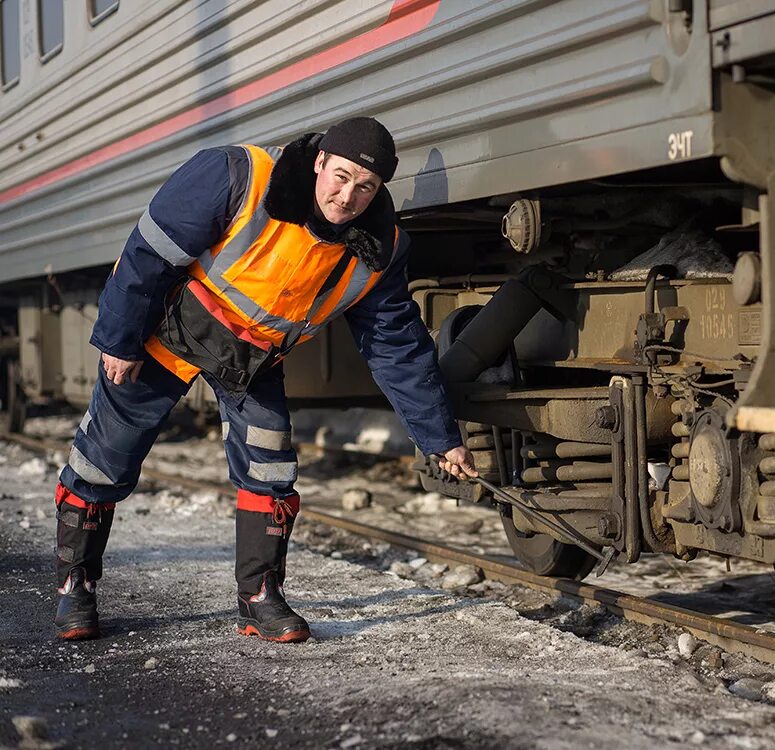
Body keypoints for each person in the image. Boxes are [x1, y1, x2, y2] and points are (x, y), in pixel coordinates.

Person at [52, 117, 477, 643]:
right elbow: (148, 253)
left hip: (251, 363)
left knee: (271, 467)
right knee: (104, 459)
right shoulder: (235, 175)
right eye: (339, 176)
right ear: (320, 160)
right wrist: (119, 339)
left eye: (364, 187)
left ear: (379, 189)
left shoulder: (378, 249)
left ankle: (259, 597)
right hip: (166, 334)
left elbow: (397, 347)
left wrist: (441, 438)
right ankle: (76, 584)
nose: (347, 197)